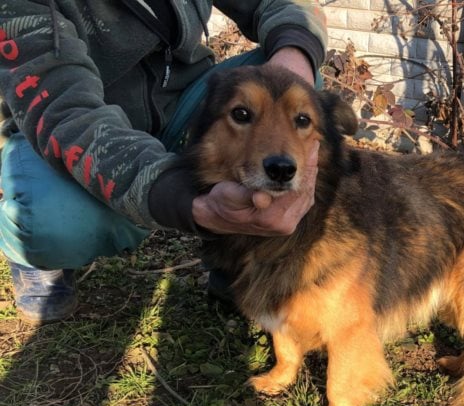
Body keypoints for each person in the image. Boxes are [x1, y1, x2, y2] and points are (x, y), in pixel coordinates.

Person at [0, 1, 327, 323]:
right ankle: (37, 254)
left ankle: (239, 259)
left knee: (299, 90)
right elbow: (71, 117)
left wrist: (294, 63)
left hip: (182, 101)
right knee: (52, 220)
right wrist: (188, 203)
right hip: (80, 124)